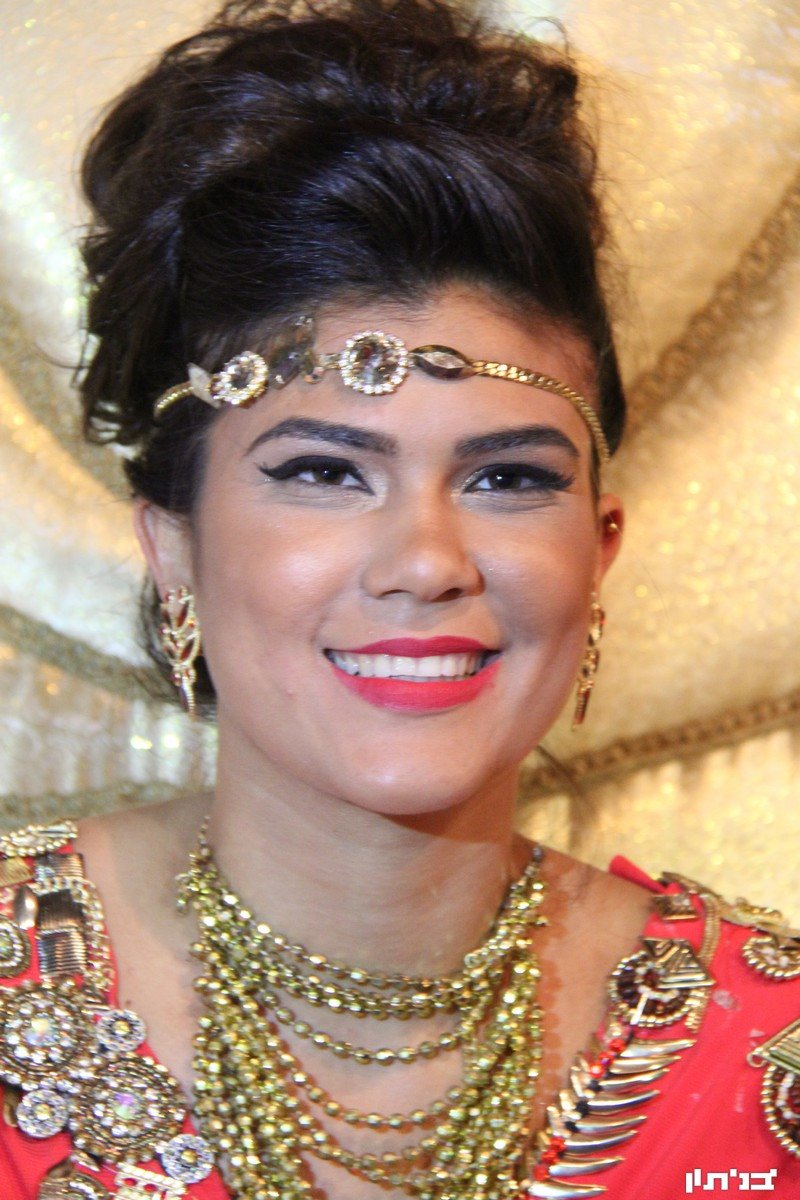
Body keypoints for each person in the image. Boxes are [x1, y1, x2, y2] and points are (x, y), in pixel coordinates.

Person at [0, 1, 797, 1197]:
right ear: (174, 547)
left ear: (597, 553)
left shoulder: (766, 1055)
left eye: (507, 478)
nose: (425, 562)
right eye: (324, 473)